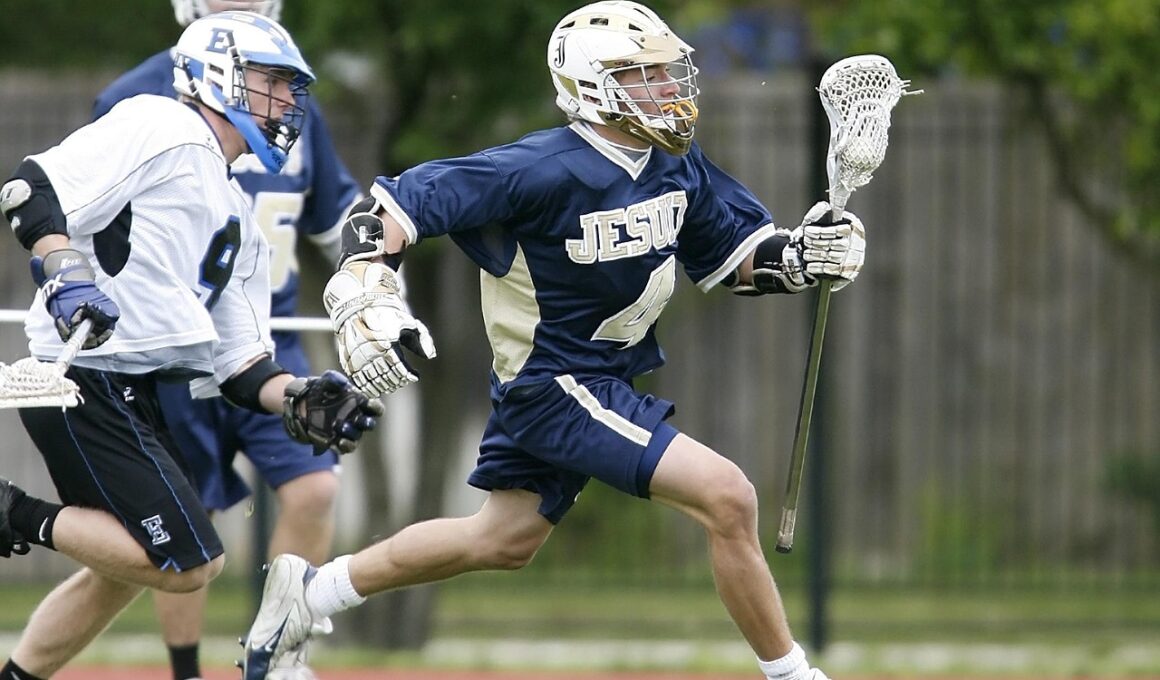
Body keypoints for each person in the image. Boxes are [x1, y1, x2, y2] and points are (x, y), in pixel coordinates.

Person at [243, 2, 865, 679]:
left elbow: (736, 259)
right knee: (729, 496)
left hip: (592, 380)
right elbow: (391, 207)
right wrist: (367, 286)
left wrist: (802, 256)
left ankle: (310, 594)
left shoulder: (675, 166)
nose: (669, 89)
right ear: (593, 86)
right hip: (556, 385)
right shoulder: (538, 169)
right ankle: (794, 675)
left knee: (501, 539)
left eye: (668, 72)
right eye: (646, 75)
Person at [0, 11, 384, 680]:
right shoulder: (162, 124)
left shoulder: (238, 213)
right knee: (190, 563)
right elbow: (29, 188)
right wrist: (64, 271)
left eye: (291, 88)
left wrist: (297, 398)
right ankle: (11, 512)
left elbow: (240, 366)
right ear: (216, 75)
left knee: (123, 568)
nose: (286, 102)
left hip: (142, 391)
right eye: (271, 82)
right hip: (84, 377)